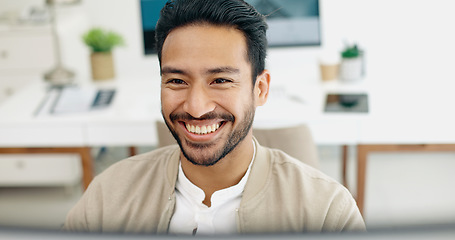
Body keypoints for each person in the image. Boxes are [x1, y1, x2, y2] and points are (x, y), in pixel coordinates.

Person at [63, 0, 366, 234]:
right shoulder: (108, 197)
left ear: (260, 89)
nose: (196, 108)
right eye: (177, 81)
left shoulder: (326, 212)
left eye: (220, 80)